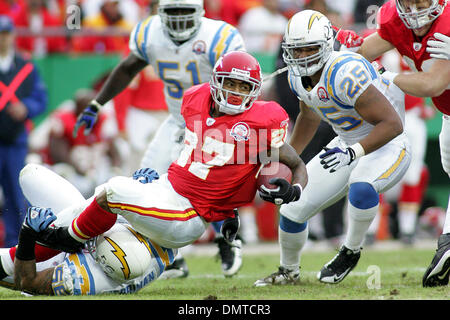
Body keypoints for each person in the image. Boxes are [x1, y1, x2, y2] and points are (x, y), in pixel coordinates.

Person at [22, 51, 309, 286]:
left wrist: (293, 190)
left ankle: (69, 240)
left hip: (189, 213)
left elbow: (296, 165)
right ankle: (26, 253)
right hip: (167, 189)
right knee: (90, 202)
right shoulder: (195, 100)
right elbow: (198, 161)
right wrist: (158, 177)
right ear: (216, 81)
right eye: (230, 83)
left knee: (114, 190)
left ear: (254, 91)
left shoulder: (261, 122)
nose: (235, 92)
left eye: (244, 87)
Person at [71, 0, 248, 279]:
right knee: (146, 181)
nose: (178, 18)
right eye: (172, 11)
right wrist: (97, 103)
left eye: (184, 11)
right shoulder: (149, 33)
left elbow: (239, 82)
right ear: (161, 12)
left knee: (207, 186)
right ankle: (169, 256)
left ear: (199, 12)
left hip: (214, 123)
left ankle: (227, 240)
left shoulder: (219, 37)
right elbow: (128, 68)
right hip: (177, 120)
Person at [254, 10, 410, 286]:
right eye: (296, 50)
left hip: (387, 143)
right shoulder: (296, 77)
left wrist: (354, 152)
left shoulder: (345, 71)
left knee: (361, 186)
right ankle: (288, 272)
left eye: (309, 49)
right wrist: (289, 158)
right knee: (292, 209)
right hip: (345, 143)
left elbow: (392, 124)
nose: (302, 57)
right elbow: (309, 116)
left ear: (326, 45)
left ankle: (350, 250)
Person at [335, 0, 450, 287]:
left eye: (422, 0)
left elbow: (433, 84)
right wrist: (341, 50)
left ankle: (447, 243)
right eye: (409, 2)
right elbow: (363, 50)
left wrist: (386, 76)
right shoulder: (394, 20)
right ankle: (446, 243)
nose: (416, 9)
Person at [0, 163, 177, 296]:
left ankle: (14, 253)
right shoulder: (161, 246)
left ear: (100, 261)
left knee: (5, 267)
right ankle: (60, 230)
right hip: (76, 229)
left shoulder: (81, 278)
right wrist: (143, 190)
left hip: (59, 261)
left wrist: (28, 235)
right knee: (30, 174)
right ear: (137, 237)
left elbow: (27, 281)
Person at [0, 15, 47, 247]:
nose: (3, 39)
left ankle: (14, 246)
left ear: (12, 36)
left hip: (16, 139)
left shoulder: (26, 67)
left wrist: (26, 107)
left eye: (6, 34)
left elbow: (41, 98)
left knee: (16, 196)